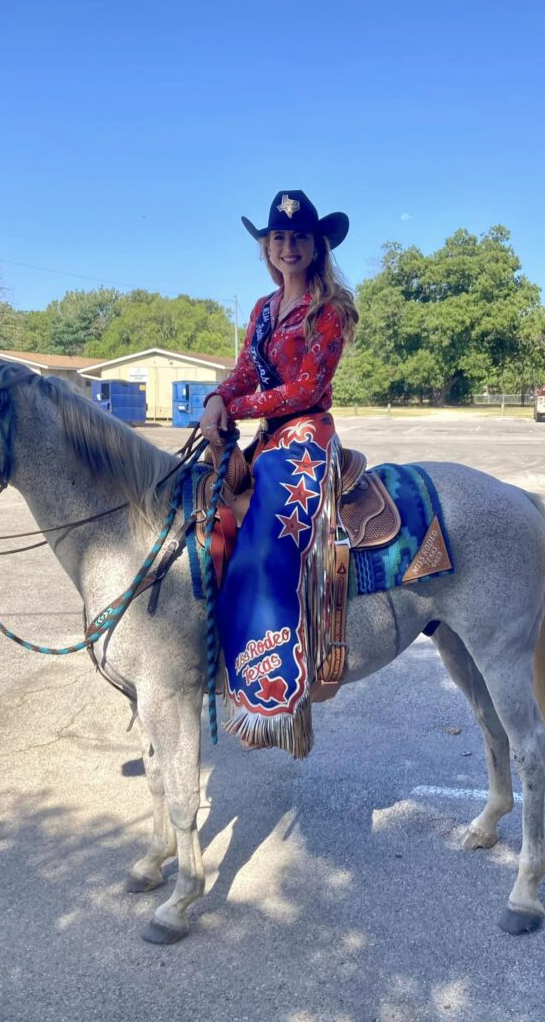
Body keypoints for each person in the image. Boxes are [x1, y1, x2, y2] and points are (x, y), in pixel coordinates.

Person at [200, 190, 358, 758]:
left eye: (299, 238)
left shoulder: (331, 309)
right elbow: (246, 372)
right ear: (268, 246)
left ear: (317, 246)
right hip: (267, 436)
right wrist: (219, 396)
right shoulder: (263, 309)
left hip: (306, 437)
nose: (288, 247)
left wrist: (237, 408)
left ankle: (274, 693)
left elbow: (305, 389)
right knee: (205, 513)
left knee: (270, 543)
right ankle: (216, 657)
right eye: (278, 238)